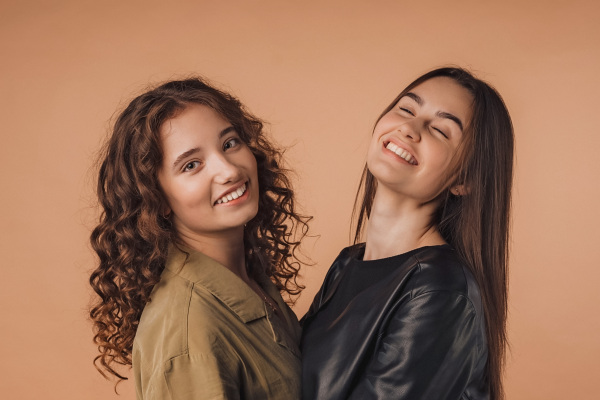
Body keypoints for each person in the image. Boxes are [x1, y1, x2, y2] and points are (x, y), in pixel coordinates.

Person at [88, 77, 310, 399]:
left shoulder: (246, 279)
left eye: (230, 143)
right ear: (157, 198)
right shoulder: (190, 334)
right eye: (192, 165)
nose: (229, 171)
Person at [301, 67, 514, 400]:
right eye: (406, 109)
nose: (410, 128)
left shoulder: (440, 291)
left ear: (465, 180)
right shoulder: (348, 263)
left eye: (441, 130)